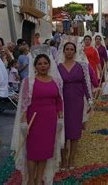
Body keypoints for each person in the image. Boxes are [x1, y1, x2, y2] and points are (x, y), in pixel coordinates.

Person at [11, 48, 64, 185]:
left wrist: (60, 118)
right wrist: (23, 122)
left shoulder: (55, 81)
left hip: (50, 120)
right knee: (33, 152)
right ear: (35, 66)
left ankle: (40, 178)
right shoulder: (29, 82)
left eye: (45, 63)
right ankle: (31, 180)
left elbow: (59, 101)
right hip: (34, 121)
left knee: (46, 152)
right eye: (39, 64)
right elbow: (23, 103)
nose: (43, 66)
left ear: (49, 65)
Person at [57, 42, 92, 170]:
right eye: (67, 49)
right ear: (64, 51)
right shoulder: (58, 67)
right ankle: (63, 158)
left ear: (75, 51)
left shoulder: (79, 66)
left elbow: (84, 83)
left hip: (77, 101)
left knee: (75, 130)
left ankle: (72, 158)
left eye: (72, 49)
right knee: (63, 130)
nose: (69, 51)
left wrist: (89, 99)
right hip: (63, 101)